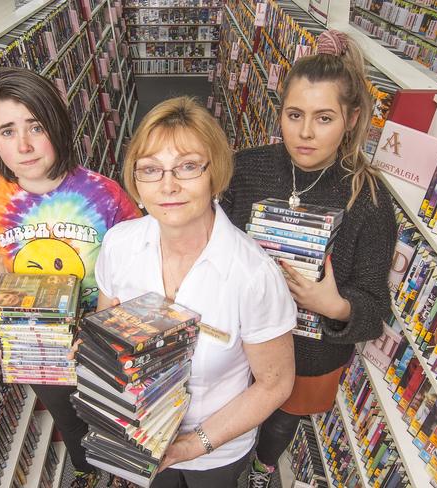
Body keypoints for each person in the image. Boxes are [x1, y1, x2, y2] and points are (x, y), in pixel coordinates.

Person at [88, 96, 297, 487]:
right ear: (135, 181)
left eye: (186, 166)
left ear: (213, 172)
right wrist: (93, 357)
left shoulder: (253, 275)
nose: (168, 185)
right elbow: (109, 339)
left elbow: (275, 383)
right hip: (139, 439)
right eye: (150, 170)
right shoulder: (118, 245)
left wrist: (190, 446)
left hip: (215, 448)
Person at [221, 30, 397, 488]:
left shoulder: (369, 199)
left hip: (313, 351)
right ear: (279, 112)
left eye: (324, 118)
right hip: (239, 339)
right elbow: (212, 240)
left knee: (281, 422)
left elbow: (375, 306)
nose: (304, 132)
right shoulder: (247, 166)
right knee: (230, 412)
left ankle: (262, 469)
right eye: (294, 114)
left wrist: (333, 305)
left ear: (351, 118)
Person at [0, 67, 140, 488]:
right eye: (7, 131)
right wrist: (11, 308)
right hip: (38, 346)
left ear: (57, 125)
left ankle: (124, 472)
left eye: (35, 126)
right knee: (68, 417)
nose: (23, 145)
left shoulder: (105, 194)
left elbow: (136, 266)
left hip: (103, 342)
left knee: (116, 414)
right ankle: (86, 471)